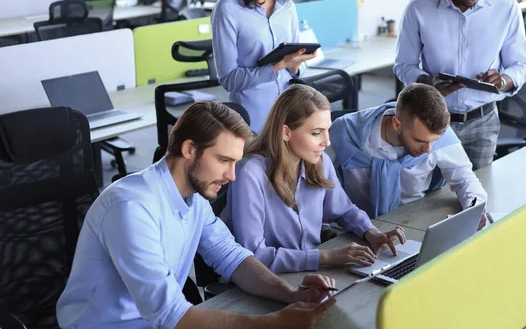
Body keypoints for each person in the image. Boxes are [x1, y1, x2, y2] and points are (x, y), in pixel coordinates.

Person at [56, 101, 336, 329]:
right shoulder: (131, 208)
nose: (232, 175)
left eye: (236, 162)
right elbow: (171, 315)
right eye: (224, 160)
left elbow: (233, 258)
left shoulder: (194, 197)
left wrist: (289, 294)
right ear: (189, 150)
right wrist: (274, 323)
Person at [227, 85, 406, 274]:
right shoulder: (250, 174)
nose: (327, 142)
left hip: (312, 271)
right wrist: (327, 257)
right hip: (269, 279)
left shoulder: (319, 160)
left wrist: (371, 232)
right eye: (316, 133)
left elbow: (343, 210)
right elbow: (253, 256)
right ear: (286, 132)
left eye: (327, 130)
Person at [393, 0, 526, 170]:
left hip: (483, 121)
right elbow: (403, 64)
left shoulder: (506, 9)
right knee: (425, 197)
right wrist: (428, 83)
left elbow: (521, 64)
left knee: (476, 196)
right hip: (431, 121)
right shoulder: (418, 9)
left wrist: (505, 80)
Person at [328, 83, 487, 224]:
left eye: (433, 141)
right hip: (357, 225)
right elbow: (315, 179)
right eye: (420, 141)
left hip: (415, 217)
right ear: (397, 124)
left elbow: (465, 179)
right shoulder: (345, 133)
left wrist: (473, 209)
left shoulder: (438, 134)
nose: (428, 149)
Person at [211, 0, 316, 133]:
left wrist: (295, 65)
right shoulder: (228, 9)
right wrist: (277, 66)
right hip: (252, 119)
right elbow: (229, 80)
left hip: (290, 116)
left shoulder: (287, 8)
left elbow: (295, 69)